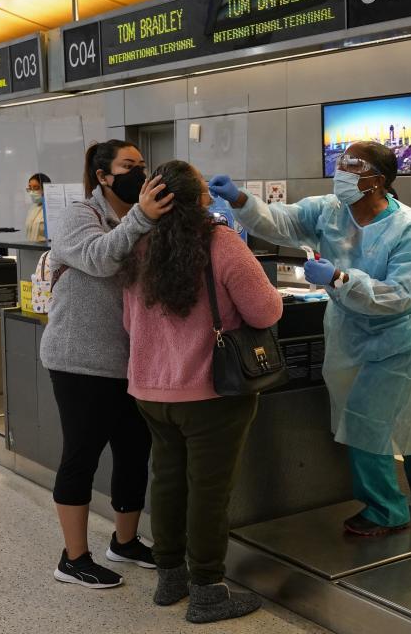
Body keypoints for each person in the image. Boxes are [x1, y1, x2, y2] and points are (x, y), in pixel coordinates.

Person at [209, 141, 411, 537]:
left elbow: (400, 294)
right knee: (400, 415)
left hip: (410, 333)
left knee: (369, 417)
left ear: (377, 181)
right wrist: (240, 199)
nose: (341, 173)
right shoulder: (329, 210)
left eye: (352, 167)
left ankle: (386, 509)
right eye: (340, 164)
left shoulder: (410, 227)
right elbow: (280, 222)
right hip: (356, 329)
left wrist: (341, 279)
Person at [120, 160, 282, 623]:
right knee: (209, 491)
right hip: (212, 394)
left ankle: (169, 577)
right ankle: (208, 590)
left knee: (167, 481)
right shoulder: (222, 244)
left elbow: (130, 322)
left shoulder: (137, 247)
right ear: (202, 198)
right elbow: (266, 312)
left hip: (151, 392)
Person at [39, 140, 174, 589]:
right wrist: (143, 218)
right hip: (79, 360)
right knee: (81, 455)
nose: (140, 172)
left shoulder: (143, 221)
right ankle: (73, 558)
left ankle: (125, 541)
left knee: (134, 454)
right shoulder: (81, 215)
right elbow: (98, 258)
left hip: (130, 362)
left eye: (142, 164)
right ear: (103, 175)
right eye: (128, 166)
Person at [25, 172, 52, 242]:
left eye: (36, 187)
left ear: (45, 188)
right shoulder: (33, 209)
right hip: (31, 250)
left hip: (46, 250)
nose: (32, 192)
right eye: (30, 188)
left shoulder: (51, 209)